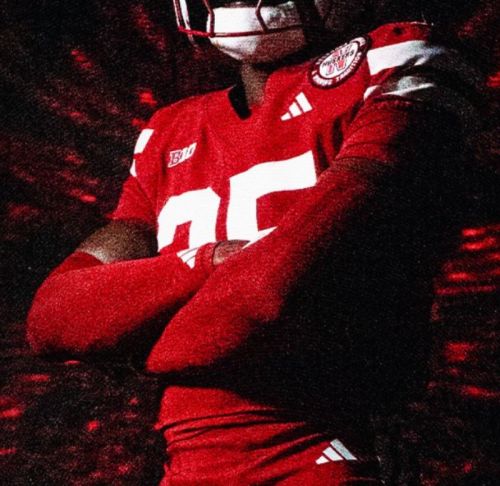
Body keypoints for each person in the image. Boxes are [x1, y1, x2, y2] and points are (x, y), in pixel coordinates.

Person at [27, 1, 482, 484]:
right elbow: (53, 318)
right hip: (185, 461)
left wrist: (138, 329)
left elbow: (266, 296)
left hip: (322, 449)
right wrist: (209, 262)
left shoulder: (395, 58)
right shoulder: (170, 128)